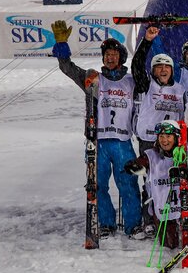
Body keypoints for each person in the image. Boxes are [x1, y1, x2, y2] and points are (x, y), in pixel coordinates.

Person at [51, 25, 141, 238]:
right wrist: (62, 48)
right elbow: (68, 69)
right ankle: (106, 223)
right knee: (97, 184)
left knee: (127, 183)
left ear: (121, 57)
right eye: (107, 55)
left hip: (122, 141)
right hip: (98, 141)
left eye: (114, 54)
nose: (110, 58)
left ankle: (133, 224)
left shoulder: (131, 81)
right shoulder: (93, 79)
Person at [122, 120, 188, 247]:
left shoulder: (186, 152)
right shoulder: (151, 155)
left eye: (168, 136)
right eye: (161, 136)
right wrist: (133, 166)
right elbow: (142, 162)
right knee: (169, 245)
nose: (164, 140)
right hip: (163, 208)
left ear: (176, 137)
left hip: (184, 205)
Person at [131, 24, 188, 154]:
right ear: (152, 70)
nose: (163, 69)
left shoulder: (180, 90)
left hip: (172, 141)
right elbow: (137, 65)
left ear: (172, 71)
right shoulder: (146, 85)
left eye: (167, 66)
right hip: (149, 139)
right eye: (159, 66)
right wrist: (147, 41)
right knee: (151, 173)